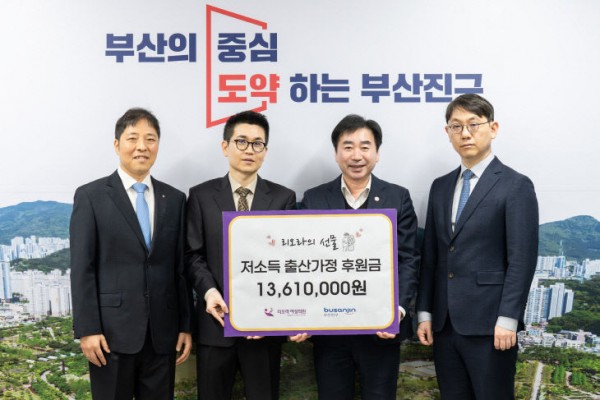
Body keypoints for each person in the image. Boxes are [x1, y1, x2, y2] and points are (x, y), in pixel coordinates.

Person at [416, 94, 539, 399]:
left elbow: (522, 260)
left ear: (493, 128)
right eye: (456, 126)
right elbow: (431, 257)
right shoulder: (440, 186)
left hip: (491, 325)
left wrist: (508, 319)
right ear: (448, 133)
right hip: (444, 325)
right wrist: (425, 312)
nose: (465, 133)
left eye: (473, 124)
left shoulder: (515, 185)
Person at [70, 108, 192, 399]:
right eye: (133, 138)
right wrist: (87, 329)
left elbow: (180, 269)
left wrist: (186, 326)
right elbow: (82, 267)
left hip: (163, 335)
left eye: (150, 139)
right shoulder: (91, 196)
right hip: (109, 336)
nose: (142, 146)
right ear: (117, 145)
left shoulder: (175, 199)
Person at [301, 114, 419, 400]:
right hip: (329, 333)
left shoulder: (398, 197)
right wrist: (300, 315)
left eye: (365, 147)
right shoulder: (314, 199)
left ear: (376, 153)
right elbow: (302, 263)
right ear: (336, 153)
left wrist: (397, 311)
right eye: (348, 146)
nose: (356, 155)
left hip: (381, 331)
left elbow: (408, 259)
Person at [186, 110, 297, 400]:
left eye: (257, 143)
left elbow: (289, 262)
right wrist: (209, 291)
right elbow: (193, 255)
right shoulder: (200, 196)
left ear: (265, 151)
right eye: (241, 141)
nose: (250, 150)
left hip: (265, 327)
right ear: (225, 147)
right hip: (215, 324)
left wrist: (270, 312)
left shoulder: (283, 198)